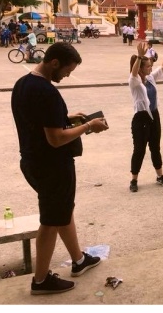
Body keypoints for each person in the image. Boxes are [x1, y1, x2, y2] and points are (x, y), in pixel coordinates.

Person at [11, 42, 109, 294]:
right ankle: (41, 280)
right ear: (54, 62)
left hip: (31, 160)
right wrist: (89, 126)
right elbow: (55, 138)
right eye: (66, 70)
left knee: (61, 211)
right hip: (52, 165)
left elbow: (37, 122)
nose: (66, 75)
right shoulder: (47, 92)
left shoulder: (23, 84)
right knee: (51, 220)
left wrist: (66, 118)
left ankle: (79, 260)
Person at [127, 42, 163, 192]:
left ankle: (160, 176)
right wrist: (140, 56)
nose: (150, 68)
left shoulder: (150, 78)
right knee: (139, 150)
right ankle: (134, 179)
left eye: (150, 66)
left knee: (155, 147)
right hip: (141, 118)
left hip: (154, 116)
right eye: (147, 66)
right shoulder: (134, 82)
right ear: (140, 69)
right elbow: (134, 73)